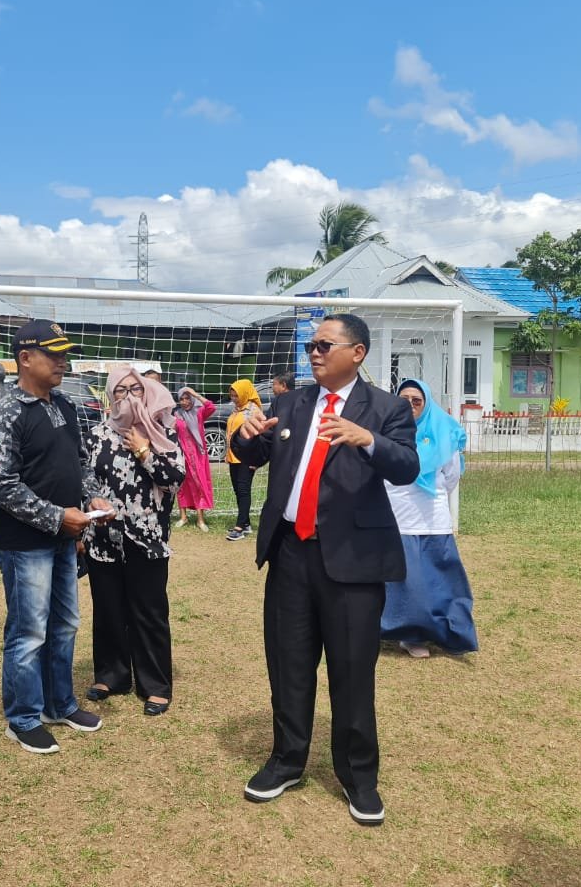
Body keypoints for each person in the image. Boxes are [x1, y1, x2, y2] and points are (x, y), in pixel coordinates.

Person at [232, 313, 418, 826]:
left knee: (352, 673)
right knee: (288, 665)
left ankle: (359, 778)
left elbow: (406, 468)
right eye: (311, 345)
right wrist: (247, 436)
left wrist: (368, 440)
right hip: (291, 554)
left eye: (324, 345)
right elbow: (254, 454)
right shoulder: (291, 402)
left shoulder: (386, 408)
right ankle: (287, 760)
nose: (314, 353)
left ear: (357, 352)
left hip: (354, 562)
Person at [0, 320, 113, 754]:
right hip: (23, 543)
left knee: (65, 623)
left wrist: (92, 497)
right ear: (24, 358)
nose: (62, 361)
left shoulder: (65, 406)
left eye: (63, 353)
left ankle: (60, 703)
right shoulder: (6, 412)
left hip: (62, 535)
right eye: (52, 354)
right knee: (29, 630)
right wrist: (58, 517)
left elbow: (80, 462)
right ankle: (22, 717)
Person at [83, 367, 185, 716]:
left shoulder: (162, 431)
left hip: (147, 539)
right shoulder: (98, 433)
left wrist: (144, 451)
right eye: (121, 391)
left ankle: (155, 684)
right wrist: (93, 500)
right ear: (111, 396)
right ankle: (112, 675)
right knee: (108, 607)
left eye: (135, 389)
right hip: (103, 537)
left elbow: (174, 480)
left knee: (149, 611)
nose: (128, 396)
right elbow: (86, 476)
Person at [380, 379, 477, 659]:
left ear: (427, 403)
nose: (409, 405)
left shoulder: (444, 433)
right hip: (397, 518)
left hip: (433, 518)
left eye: (416, 400)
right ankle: (409, 635)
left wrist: (428, 494)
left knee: (439, 580)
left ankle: (446, 632)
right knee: (406, 585)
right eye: (403, 400)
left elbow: (451, 478)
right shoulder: (384, 431)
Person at [173, 386, 215, 532]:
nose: (185, 402)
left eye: (187, 398)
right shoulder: (177, 414)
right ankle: (183, 516)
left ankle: (200, 519)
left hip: (198, 455)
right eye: (182, 399)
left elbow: (211, 406)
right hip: (182, 455)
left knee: (199, 485)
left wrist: (194, 394)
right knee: (182, 485)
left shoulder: (199, 412)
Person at [225, 379, 261, 541]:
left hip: (247, 458)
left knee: (244, 490)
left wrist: (255, 460)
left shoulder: (254, 411)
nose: (234, 398)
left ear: (245, 393)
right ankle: (245, 523)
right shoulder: (236, 409)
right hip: (234, 457)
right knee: (238, 491)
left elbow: (260, 436)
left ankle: (239, 527)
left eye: (236, 395)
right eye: (232, 395)